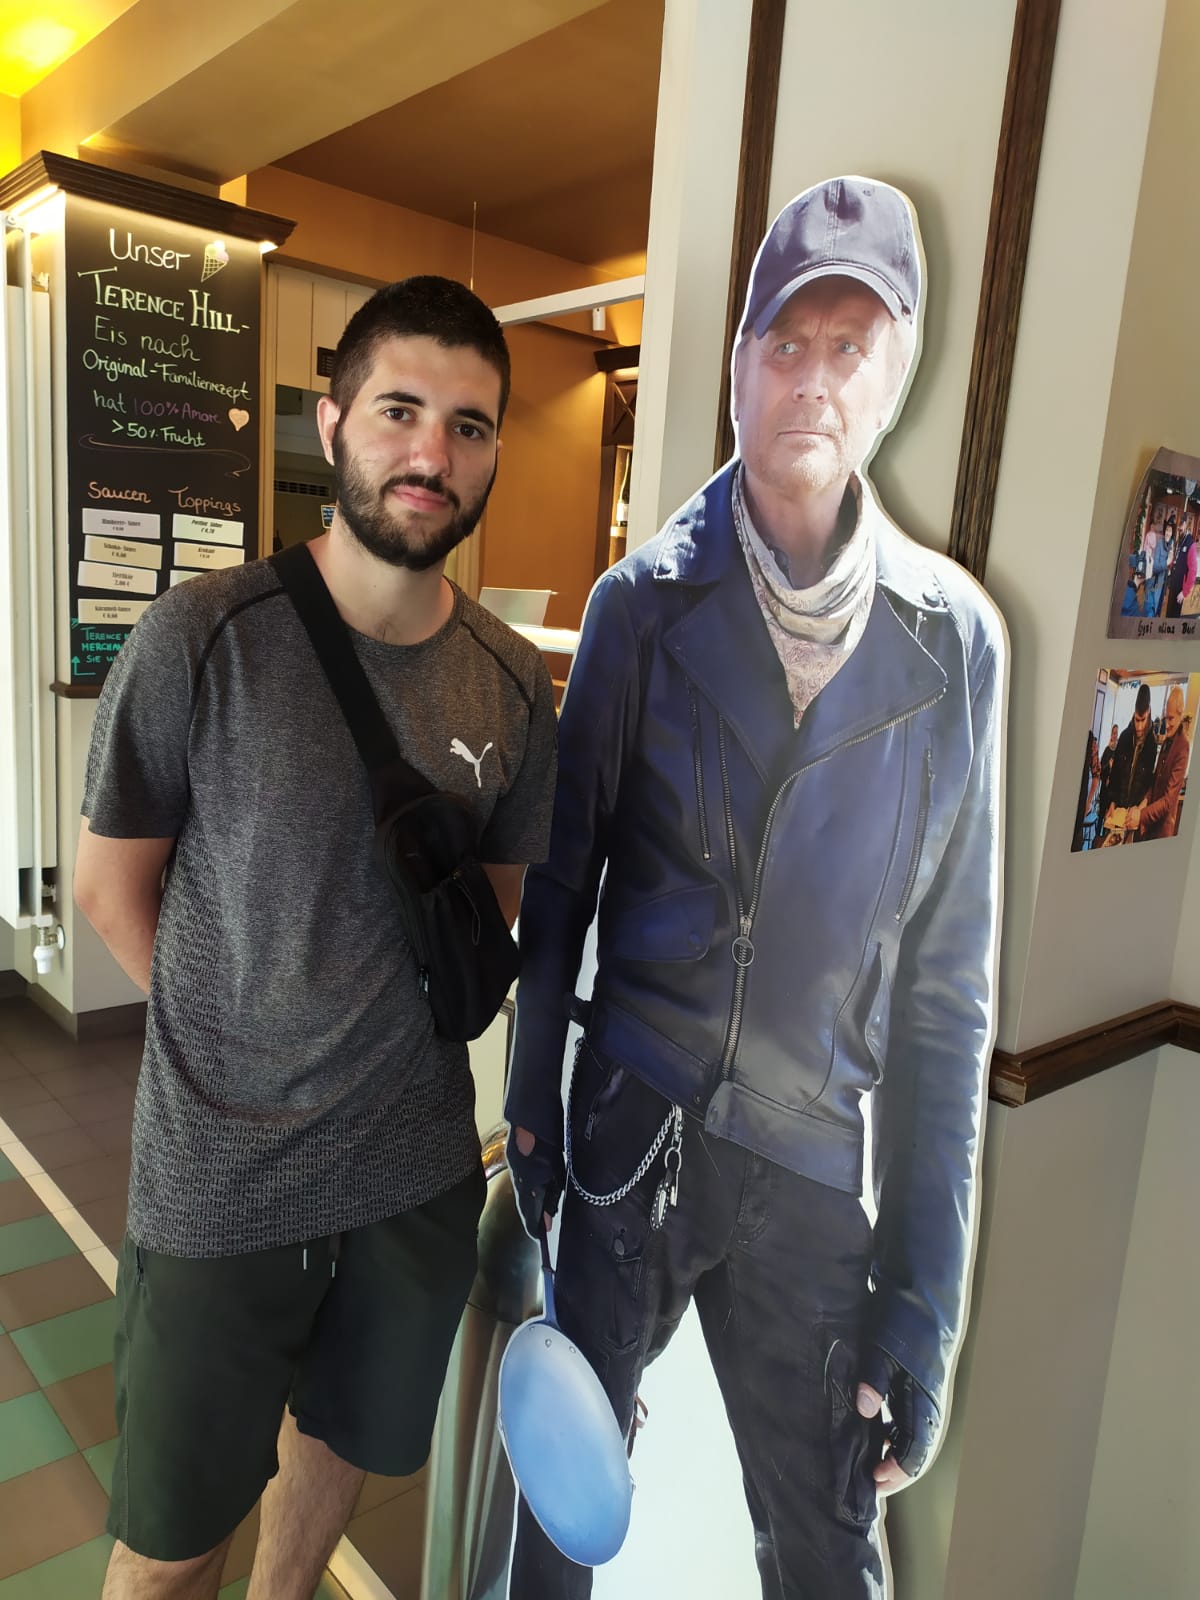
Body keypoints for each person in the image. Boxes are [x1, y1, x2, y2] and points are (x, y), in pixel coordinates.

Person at [504, 177, 1004, 1598]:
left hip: (805, 1166)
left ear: (899, 373)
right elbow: (564, 884)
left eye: (854, 348)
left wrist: (920, 1306)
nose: (817, 380)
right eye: (789, 343)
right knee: (562, 1505)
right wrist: (534, 1114)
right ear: (737, 365)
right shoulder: (642, 606)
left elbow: (948, 1004)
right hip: (630, 1138)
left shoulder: (954, 645)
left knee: (830, 1545)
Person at [73, 277, 558, 1600]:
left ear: (495, 451)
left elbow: (498, 903)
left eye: (469, 425)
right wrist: (238, 1041)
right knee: (168, 1551)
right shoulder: (203, 638)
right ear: (336, 422)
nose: (431, 453)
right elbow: (112, 891)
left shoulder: (515, 683)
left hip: (411, 1181)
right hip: (222, 1185)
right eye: (401, 410)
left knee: (328, 1473)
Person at [1130, 685, 1189, 839]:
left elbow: (1168, 801)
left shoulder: (1183, 746)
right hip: (1150, 825)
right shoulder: (1166, 741)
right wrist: (1142, 803)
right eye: (1166, 717)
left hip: (1162, 831)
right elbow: (1155, 781)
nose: (1167, 724)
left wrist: (1141, 815)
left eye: (1171, 718)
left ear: (1180, 715)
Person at [1105, 683, 1158, 837]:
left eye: (1143, 720)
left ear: (1148, 713)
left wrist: (1139, 810)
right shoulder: (1124, 737)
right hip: (1118, 812)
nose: (1139, 726)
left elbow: (1148, 784)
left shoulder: (1152, 745)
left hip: (1134, 816)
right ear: (1133, 714)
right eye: (1137, 720)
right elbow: (1115, 775)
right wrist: (1112, 802)